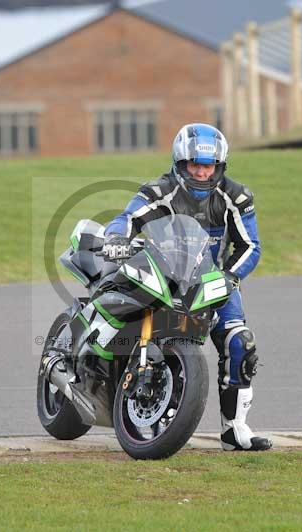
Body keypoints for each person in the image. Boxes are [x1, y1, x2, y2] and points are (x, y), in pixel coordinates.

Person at [103, 123, 272, 451]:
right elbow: (128, 217)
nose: (201, 173)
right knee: (127, 311)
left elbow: (250, 246)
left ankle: (235, 429)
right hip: (163, 269)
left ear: (219, 167)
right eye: (194, 165)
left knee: (241, 343)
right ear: (180, 164)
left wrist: (229, 277)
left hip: (211, 278)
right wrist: (115, 238)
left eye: (208, 166)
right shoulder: (157, 190)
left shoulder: (236, 196)